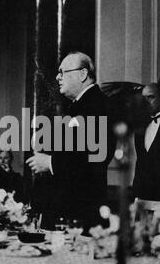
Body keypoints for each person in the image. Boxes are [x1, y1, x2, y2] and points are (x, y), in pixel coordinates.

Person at [26, 51, 115, 231]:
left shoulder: (97, 106)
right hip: (70, 210)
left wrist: (50, 162)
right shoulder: (80, 106)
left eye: (62, 72)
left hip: (82, 213)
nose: (57, 77)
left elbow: (94, 158)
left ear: (82, 74)